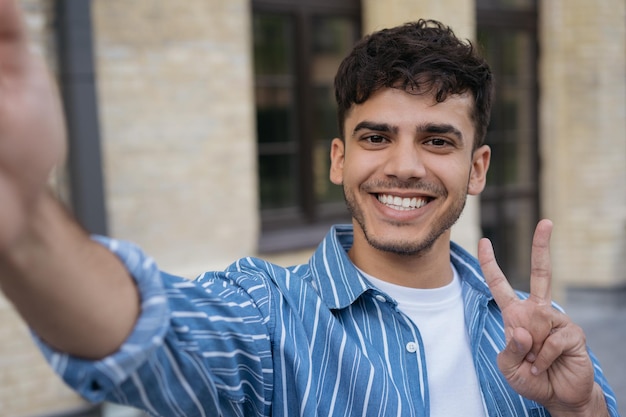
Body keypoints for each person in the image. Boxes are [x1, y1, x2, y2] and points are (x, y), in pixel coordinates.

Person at [0, 0, 619, 415]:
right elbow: (148, 333)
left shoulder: (538, 331)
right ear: (338, 160)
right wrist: (24, 216)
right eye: (376, 137)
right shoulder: (269, 314)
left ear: (477, 168)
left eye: (436, 139)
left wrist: (578, 409)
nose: (404, 165)